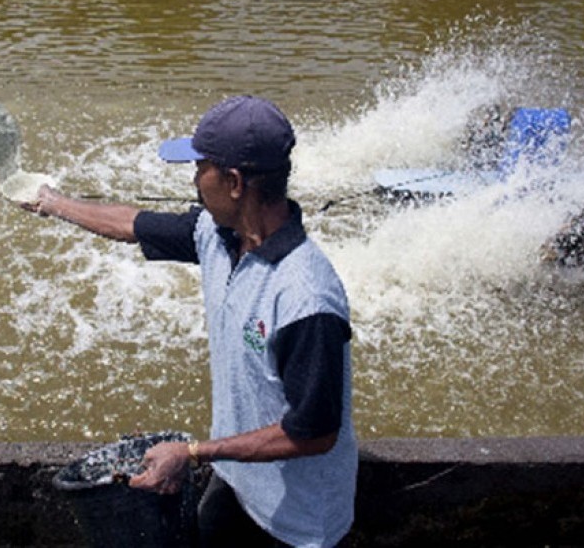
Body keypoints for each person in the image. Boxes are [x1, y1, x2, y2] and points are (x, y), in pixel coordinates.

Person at [26, 95, 357, 548]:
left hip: (298, 525)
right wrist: (49, 201)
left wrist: (194, 453)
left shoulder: (305, 298)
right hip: (238, 484)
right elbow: (133, 224)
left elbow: (315, 434)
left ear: (235, 182)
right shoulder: (218, 237)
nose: (194, 179)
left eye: (201, 168)